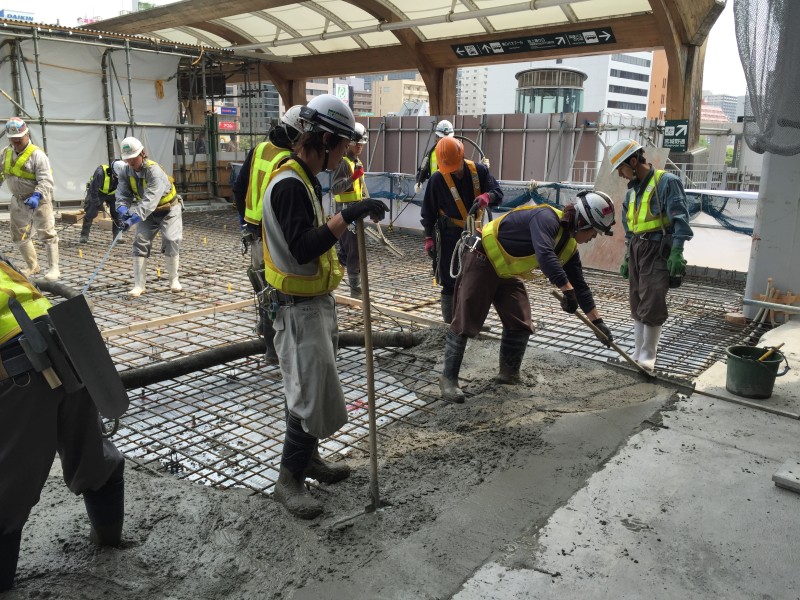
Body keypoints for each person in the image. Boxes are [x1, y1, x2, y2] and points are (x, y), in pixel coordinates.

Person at [262, 94, 387, 519]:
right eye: (342, 147)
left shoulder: (302, 177)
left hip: (310, 304)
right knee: (305, 396)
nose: (344, 157)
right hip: (297, 308)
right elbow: (300, 249)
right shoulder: (291, 184)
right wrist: (347, 216)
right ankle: (288, 481)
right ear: (326, 140)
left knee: (308, 392)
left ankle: (308, 461)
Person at [0, 254, 125, 591]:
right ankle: (110, 544)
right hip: (63, 339)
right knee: (92, 456)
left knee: (5, 492)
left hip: (17, 366)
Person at [438, 191, 617, 403]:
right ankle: (448, 380)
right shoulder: (546, 218)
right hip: (482, 257)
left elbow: (580, 284)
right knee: (466, 319)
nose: (594, 237)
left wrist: (598, 322)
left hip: (506, 271)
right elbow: (544, 255)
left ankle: (508, 375)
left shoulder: (569, 246)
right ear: (582, 222)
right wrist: (566, 291)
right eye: (594, 232)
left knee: (520, 320)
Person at [610, 139, 693, 371]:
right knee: (637, 299)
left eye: (621, 168)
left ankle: (648, 354)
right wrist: (628, 256)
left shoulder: (666, 182)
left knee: (653, 299)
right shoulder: (632, 193)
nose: (620, 174)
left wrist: (677, 251)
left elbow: (680, 219)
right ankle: (637, 351)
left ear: (633, 161)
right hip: (637, 248)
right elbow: (630, 227)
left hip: (658, 248)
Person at [232, 105, 304, 362]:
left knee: (263, 288)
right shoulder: (289, 161)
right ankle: (275, 351)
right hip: (274, 236)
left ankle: (267, 336)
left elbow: (239, 188)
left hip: (255, 233)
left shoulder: (259, 149)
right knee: (278, 291)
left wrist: (246, 220)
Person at [420, 136, 503, 323]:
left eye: (456, 166)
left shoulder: (479, 171)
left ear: (462, 156)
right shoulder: (437, 179)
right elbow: (428, 211)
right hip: (449, 237)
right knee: (449, 282)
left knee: (475, 279)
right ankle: (450, 324)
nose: (454, 172)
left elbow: (499, 193)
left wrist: (487, 196)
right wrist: (428, 238)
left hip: (475, 234)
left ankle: (470, 322)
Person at [115, 136, 183, 297]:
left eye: (133, 158)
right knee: (140, 241)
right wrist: (123, 210)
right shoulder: (126, 171)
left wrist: (133, 219)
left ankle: (174, 280)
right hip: (148, 214)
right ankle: (139, 285)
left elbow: (149, 201)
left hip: (168, 210)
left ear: (142, 153)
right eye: (127, 159)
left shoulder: (154, 171)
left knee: (171, 239)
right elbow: (122, 194)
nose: (130, 162)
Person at [0, 118, 60, 281]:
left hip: (39, 199)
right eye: (14, 140)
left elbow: (46, 180)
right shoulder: (6, 152)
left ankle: (54, 269)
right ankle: (32, 266)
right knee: (18, 234)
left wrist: (37, 195)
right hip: (18, 200)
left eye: (19, 140)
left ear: (26, 135)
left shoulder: (37, 155)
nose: (17, 143)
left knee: (47, 233)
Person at [330, 122, 369, 297]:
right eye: (357, 143)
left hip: (354, 211)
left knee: (347, 252)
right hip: (345, 213)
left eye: (362, 143)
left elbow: (360, 190)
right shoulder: (344, 162)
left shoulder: (356, 161)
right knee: (354, 252)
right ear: (349, 143)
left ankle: (331, 283)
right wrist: (353, 178)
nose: (360, 146)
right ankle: (356, 291)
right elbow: (335, 188)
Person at [80, 160, 124, 243]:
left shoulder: (122, 174)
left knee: (117, 213)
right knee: (91, 213)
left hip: (113, 194)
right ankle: (84, 235)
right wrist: (98, 203)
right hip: (98, 192)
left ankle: (117, 237)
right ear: (113, 171)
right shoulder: (100, 173)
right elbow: (93, 190)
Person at [414, 119, 454, 193]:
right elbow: (422, 171)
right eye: (441, 138)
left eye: (447, 139)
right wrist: (418, 182)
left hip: (452, 193)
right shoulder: (431, 153)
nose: (444, 141)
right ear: (437, 137)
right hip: (435, 191)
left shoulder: (457, 153)